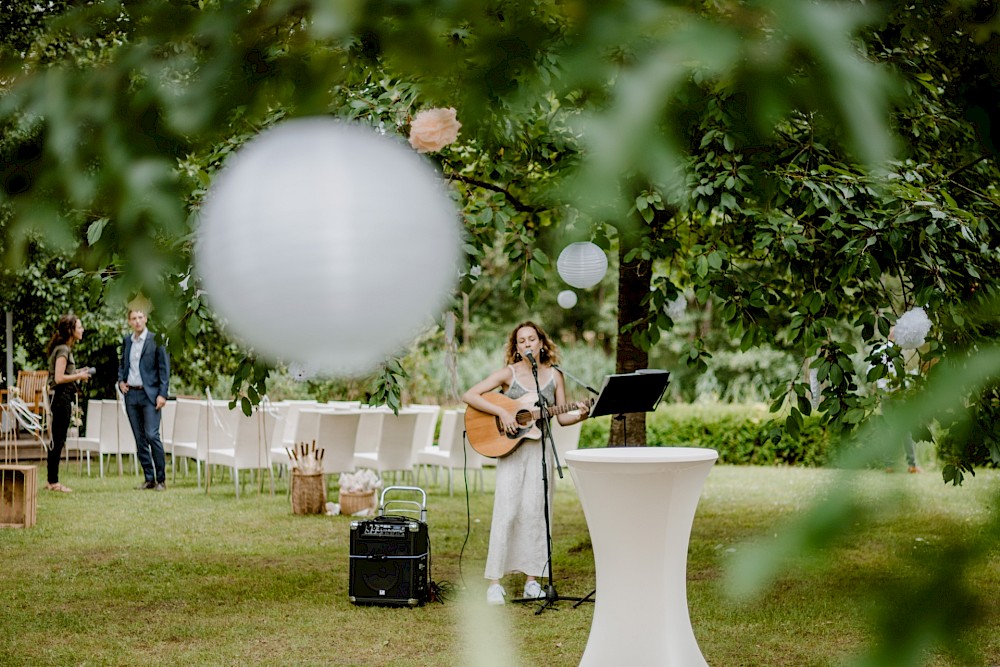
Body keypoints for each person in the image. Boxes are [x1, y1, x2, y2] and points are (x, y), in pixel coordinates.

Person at [462, 321, 590, 605]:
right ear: (516, 347)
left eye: (532, 339)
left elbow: (562, 417)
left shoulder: (556, 376)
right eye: (522, 341)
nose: (528, 344)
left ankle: (533, 580)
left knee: (536, 513)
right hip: (511, 451)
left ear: (542, 343)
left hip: (540, 452)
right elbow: (469, 395)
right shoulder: (509, 374)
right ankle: (495, 582)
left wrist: (581, 414)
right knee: (506, 511)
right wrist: (503, 413)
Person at [117, 308, 170, 491]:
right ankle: (149, 478)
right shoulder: (127, 341)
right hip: (131, 395)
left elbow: (164, 369)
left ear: (146, 319)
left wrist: (163, 394)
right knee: (140, 439)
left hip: (151, 396)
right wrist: (120, 381)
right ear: (129, 321)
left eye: (140, 317)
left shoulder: (156, 340)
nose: (137, 321)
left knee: (152, 435)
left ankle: (161, 479)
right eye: (134, 318)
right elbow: (123, 364)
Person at [45, 314, 94, 492]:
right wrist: (79, 376)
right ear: (71, 331)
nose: (82, 330)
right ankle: (54, 482)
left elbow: (62, 374)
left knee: (57, 438)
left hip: (59, 396)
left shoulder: (62, 349)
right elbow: (58, 378)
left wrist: (79, 372)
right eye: (79, 327)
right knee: (58, 439)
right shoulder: (64, 349)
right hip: (60, 397)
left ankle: (51, 481)